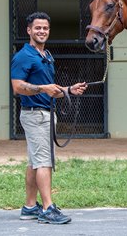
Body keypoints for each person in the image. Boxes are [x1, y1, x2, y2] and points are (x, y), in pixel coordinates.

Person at [11, 12, 87, 224]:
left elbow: (50, 88)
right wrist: (43, 88)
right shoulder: (23, 56)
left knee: (34, 162)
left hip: (46, 114)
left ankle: (29, 207)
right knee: (44, 162)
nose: (41, 31)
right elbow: (17, 87)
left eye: (45, 28)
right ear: (29, 30)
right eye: (37, 28)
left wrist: (69, 90)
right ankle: (47, 209)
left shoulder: (46, 56)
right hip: (36, 116)